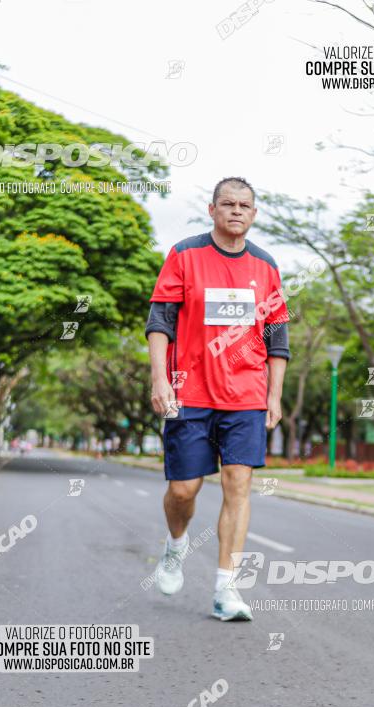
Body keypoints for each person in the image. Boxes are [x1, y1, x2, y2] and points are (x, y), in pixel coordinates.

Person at [145, 177, 290, 621]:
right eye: (227, 203)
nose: (236, 211)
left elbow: (277, 337)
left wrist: (274, 394)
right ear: (212, 210)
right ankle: (175, 545)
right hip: (189, 391)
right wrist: (159, 379)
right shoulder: (185, 255)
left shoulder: (265, 266)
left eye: (245, 205)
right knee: (183, 489)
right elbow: (160, 321)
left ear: (254, 214)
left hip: (245, 394)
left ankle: (227, 590)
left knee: (238, 485)